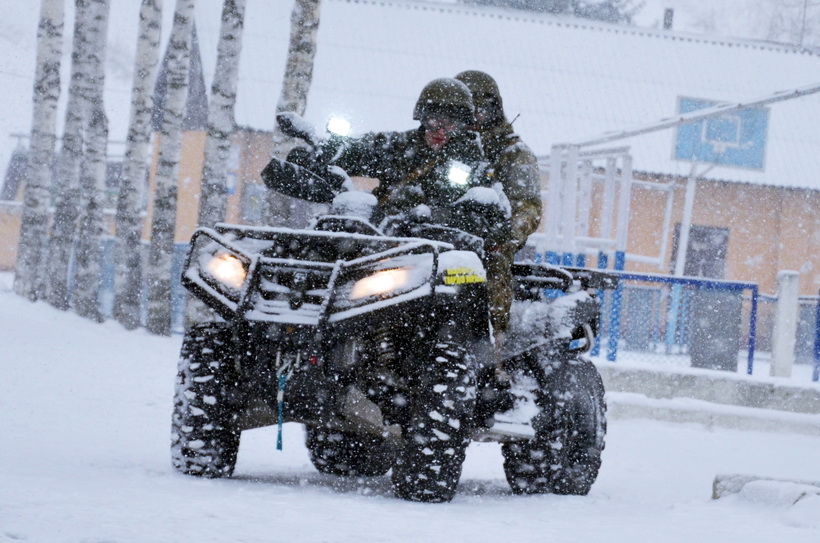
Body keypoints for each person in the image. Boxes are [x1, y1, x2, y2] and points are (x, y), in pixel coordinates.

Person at [454, 70, 542, 362]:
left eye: (480, 109)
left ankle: (495, 354)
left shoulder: (512, 153)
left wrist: (504, 234)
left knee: (493, 262)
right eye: (465, 110)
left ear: (494, 109)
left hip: (484, 243)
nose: (473, 117)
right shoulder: (439, 145)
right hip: (439, 238)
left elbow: (528, 208)